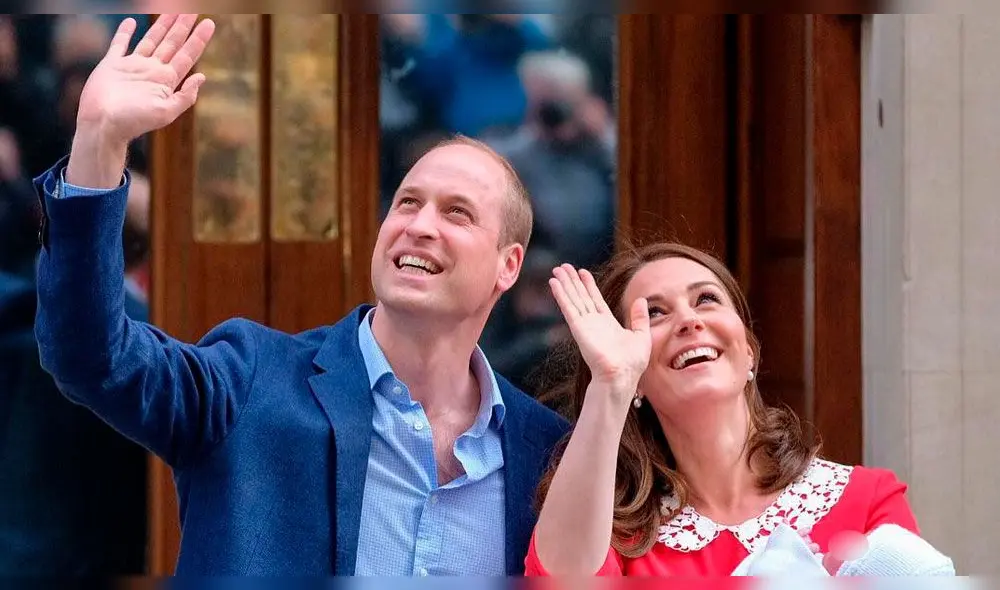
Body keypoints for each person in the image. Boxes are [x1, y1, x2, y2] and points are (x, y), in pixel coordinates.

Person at [31, 14, 568, 576]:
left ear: (508, 266)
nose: (420, 225)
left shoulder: (544, 453)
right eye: (408, 202)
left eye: (457, 213)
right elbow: (90, 356)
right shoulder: (250, 382)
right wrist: (99, 142)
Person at [525, 242, 922, 576]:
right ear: (637, 380)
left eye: (706, 299)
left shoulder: (868, 501)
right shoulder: (613, 538)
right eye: (655, 313)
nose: (688, 320)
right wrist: (612, 383)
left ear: (748, 350)